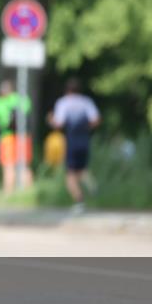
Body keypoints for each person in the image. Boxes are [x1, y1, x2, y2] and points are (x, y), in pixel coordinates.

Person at [49, 78, 101, 213]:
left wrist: (50, 120)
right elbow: (96, 120)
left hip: (71, 140)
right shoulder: (86, 102)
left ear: (67, 90)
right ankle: (91, 184)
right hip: (84, 139)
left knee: (70, 175)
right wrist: (85, 128)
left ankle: (79, 201)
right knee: (81, 169)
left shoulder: (63, 102)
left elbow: (59, 124)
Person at [0, 79, 33, 193]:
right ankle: (28, 192)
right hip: (23, 136)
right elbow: (28, 110)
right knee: (23, 165)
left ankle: (8, 193)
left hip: (7, 137)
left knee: (9, 166)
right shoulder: (21, 98)